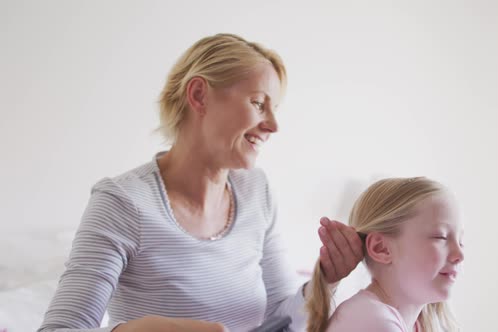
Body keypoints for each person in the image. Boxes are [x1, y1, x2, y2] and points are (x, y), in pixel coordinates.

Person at [38, 33, 363, 332]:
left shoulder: (256, 190)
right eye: (258, 103)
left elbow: (280, 318)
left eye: (275, 109)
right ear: (198, 95)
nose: (273, 125)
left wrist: (325, 280)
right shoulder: (123, 202)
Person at [305, 177, 465, 332]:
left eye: (461, 241)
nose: (460, 254)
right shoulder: (372, 320)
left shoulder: (415, 324)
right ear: (381, 248)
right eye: (440, 237)